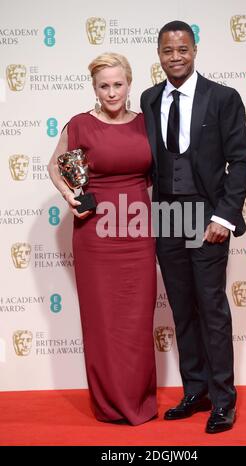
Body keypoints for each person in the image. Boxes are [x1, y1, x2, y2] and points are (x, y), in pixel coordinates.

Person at [141, 21, 246, 433]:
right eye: (168, 50)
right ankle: (196, 390)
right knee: (182, 309)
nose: (175, 57)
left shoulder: (223, 97)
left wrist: (223, 216)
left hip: (206, 216)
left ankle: (224, 400)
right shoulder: (150, 98)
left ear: (195, 50)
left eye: (182, 49)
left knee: (212, 309)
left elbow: (239, 161)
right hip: (167, 216)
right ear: (158, 53)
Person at [48, 53, 157, 425]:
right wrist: (70, 198)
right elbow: (55, 165)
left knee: (137, 320)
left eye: (118, 84)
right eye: (103, 86)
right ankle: (109, 404)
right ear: (94, 89)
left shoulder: (147, 124)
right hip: (95, 234)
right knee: (103, 321)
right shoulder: (80, 125)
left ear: (129, 83)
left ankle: (140, 399)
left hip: (138, 233)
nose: (112, 93)